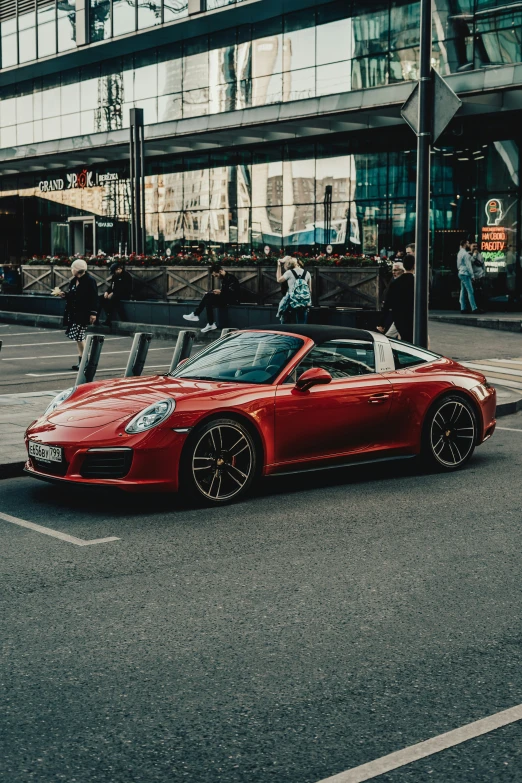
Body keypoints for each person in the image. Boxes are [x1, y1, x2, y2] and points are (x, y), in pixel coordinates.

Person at [60, 259, 98, 371]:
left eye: (72, 268)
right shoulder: (74, 280)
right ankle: (82, 361)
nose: (71, 270)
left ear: (77, 270)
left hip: (84, 312)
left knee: (80, 336)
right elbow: (73, 295)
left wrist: (93, 313)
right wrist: (65, 295)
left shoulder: (89, 281)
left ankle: (85, 361)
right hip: (75, 312)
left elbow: (94, 298)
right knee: (78, 337)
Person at [183, 263, 240, 333]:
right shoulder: (224, 278)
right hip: (226, 299)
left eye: (216, 275)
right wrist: (215, 292)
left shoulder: (231, 278)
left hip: (232, 300)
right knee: (208, 299)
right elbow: (225, 291)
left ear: (220, 271)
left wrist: (220, 292)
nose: (216, 277)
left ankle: (196, 315)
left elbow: (233, 293)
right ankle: (210, 323)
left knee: (208, 296)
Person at [377, 254, 415, 342]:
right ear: (414, 265)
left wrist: (381, 323)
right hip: (413, 317)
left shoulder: (395, 284)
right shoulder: (417, 282)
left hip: (399, 318)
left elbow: (387, 304)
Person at [276, 257, 312, 324]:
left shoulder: (289, 272)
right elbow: (310, 290)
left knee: (286, 323)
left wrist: (278, 266)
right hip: (303, 302)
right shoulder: (307, 273)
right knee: (302, 324)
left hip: (291, 301)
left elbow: (278, 279)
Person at [98, 261, 132, 328]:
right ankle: (97, 318)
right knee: (100, 298)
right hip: (114, 293)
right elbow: (112, 286)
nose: (114, 273)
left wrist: (113, 293)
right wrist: (107, 292)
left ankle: (109, 320)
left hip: (124, 294)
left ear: (119, 269)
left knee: (113, 300)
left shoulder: (126, 276)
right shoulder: (115, 276)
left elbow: (124, 288)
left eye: (115, 271)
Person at [377, 261, 405, 338]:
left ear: (402, 271)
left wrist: (381, 323)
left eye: (396, 270)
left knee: (389, 337)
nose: (393, 272)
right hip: (399, 314)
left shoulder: (398, 283)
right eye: (392, 270)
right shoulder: (393, 280)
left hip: (401, 315)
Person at [457, 239, 482, 314]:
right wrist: (472, 275)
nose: (468, 244)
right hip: (465, 274)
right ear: (465, 244)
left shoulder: (460, 253)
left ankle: (463, 308)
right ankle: (474, 308)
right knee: (470, 291)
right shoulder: (465, 254)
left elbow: (458, 264)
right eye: (468, 243)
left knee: (463, 291)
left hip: (461, 273)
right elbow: (469, 266)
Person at [470, 242, 486, 312]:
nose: (475, 248)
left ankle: (480, 307)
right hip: (473, 277)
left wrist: (484, 274)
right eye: (474, 246)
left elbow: (483, 264)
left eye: (476, 246)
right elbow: (471, 262)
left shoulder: (480, 255)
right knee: (473, 293)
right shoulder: (469, 255)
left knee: (480, 293)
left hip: (480, 276)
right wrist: (474, 255)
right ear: (470, 247)